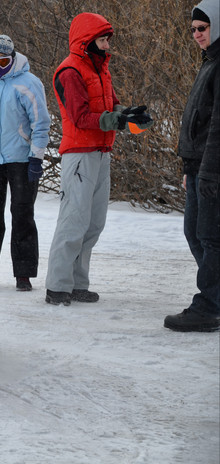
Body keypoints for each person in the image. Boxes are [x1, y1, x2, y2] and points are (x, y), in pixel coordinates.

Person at [45, 13, 153, 306]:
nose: (107, 46)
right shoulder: (69, 71)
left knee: (94, 222)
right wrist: (115, 121)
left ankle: (78, 284)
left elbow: (110, 105)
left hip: (101, 152)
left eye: (107, 40)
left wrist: (129, 115)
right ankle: (57, 286)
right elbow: (81, 117)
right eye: (103, 39)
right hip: (79, 155)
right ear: (87, 41)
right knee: (74, 220)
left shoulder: (100, 69)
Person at [0, 34, 50, 292]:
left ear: (13, 57)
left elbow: (40, 122)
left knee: (22, 215)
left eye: (3, 61)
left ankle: (24, 273)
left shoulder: (28, 83)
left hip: (22, 160)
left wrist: (36, 157)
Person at [164, 0, 220, 332]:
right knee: (195, 232)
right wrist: (189, 168)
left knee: (210, 237)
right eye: (193, 30)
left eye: (203, 28)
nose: (197, 34)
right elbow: (197, 123)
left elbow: (217, 127)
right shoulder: (209, 62)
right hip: (198, 166)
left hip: (212, 168)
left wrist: (210, 172)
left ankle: (209, 305)